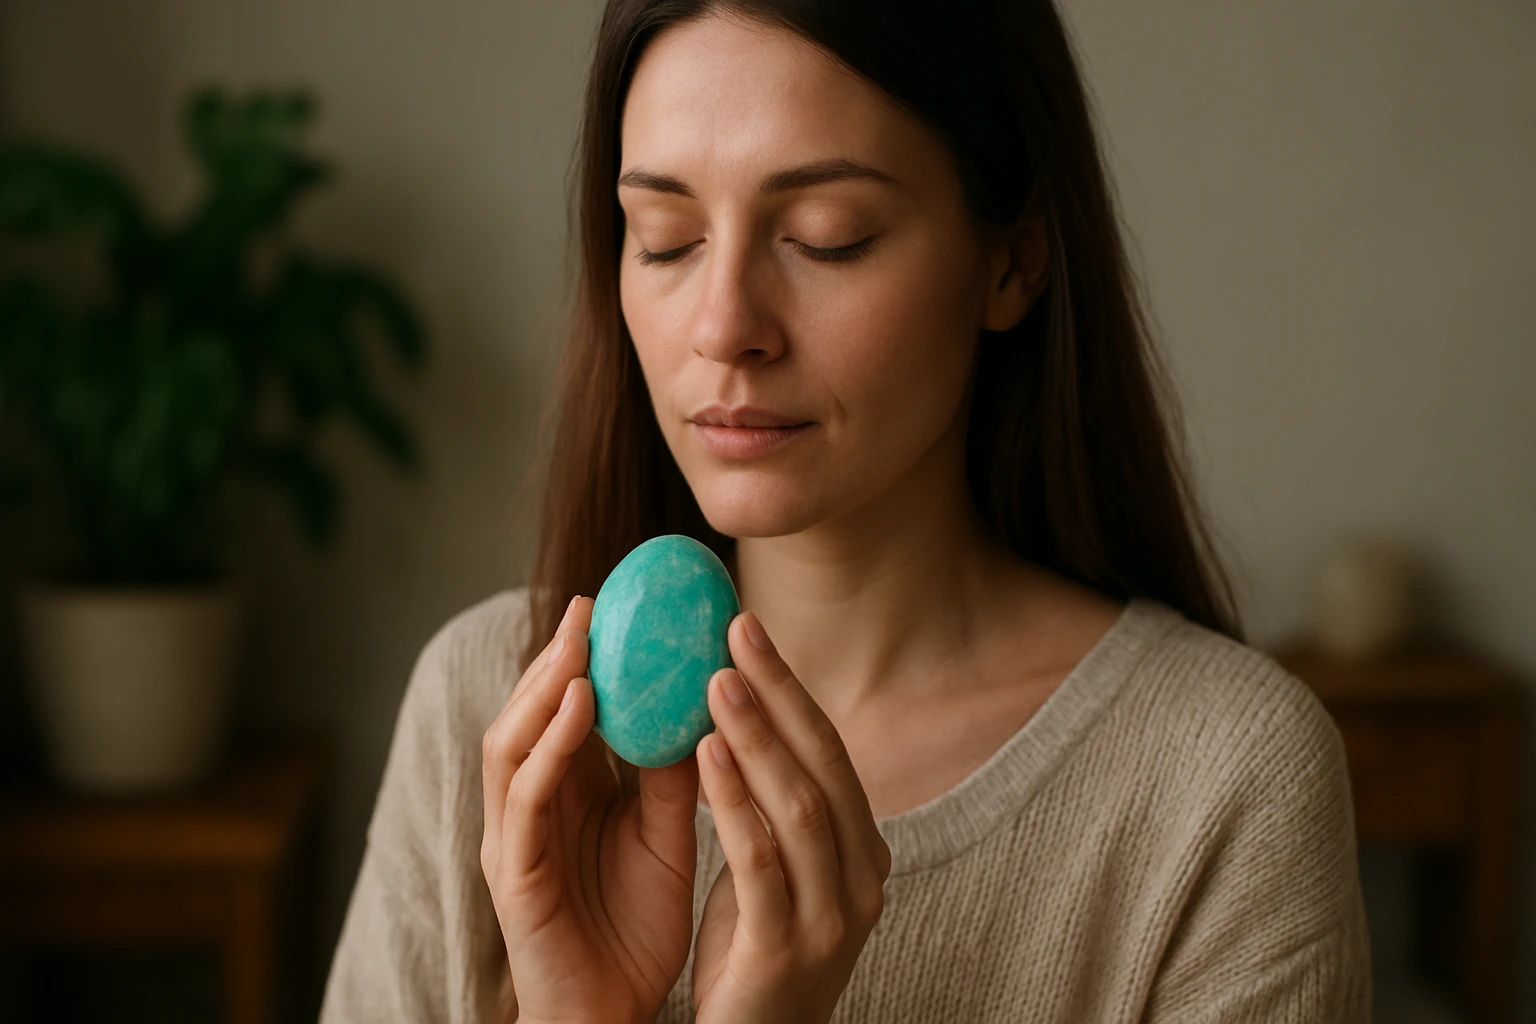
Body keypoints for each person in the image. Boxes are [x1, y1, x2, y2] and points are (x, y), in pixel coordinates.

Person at [319, 1, 1372, 1021]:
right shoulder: (490, 717)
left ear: (1014, 257)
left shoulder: (1225, 787)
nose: (725, 326)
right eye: (667, 236)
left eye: (828, 236)